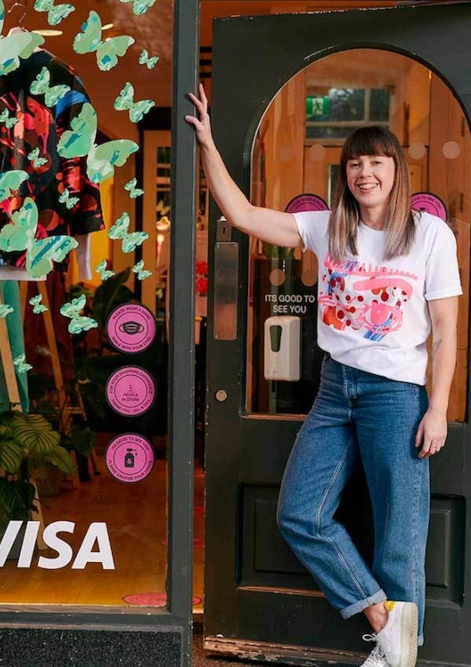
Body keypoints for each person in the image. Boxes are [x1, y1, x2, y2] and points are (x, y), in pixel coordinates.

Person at [185, 85, 461, 667]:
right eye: (355, 163)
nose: (365, 173)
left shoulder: (430, 235)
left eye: (376, 162)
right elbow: (241, 214)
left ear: (396, 170)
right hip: (336, 390)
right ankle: (386, 625)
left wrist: (437, 407)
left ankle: (398, 657)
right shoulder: (326, 227)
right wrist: (207, 143)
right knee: (300, 513)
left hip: (397, 395)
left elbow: (445, 331)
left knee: (400, 534)